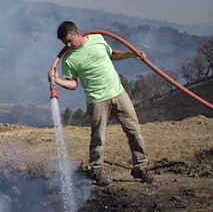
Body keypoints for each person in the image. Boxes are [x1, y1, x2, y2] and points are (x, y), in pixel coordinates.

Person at [48, 21, 156, 186]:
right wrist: (57, 80)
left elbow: (111, 54)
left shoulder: (97, 39)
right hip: (97, 101)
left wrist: (132, 54)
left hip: (119, 93)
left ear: (78, 33)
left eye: (70, 41)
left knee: (135, 132)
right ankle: (97, 172)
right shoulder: (68, 59)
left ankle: (140, 169)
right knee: (98, 138)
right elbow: (73, 84)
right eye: (65, 43)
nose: (68, 45)